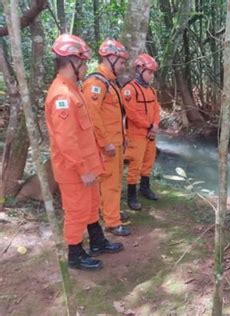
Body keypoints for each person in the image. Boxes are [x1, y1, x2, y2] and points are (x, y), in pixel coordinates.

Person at [45, 34, 123, 271]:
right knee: (77, 212)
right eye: (84, 61)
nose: (86, 66)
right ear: (71, 61)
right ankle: (75, 255)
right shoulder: (62, 96)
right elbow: (66, 140)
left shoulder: (73, 89)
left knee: (91, 206)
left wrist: (91, 165)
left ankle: (97, 242)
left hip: (88, 167)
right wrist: (82, 168)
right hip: (75, 170)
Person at [82, 39, 131, 236]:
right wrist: (105, 142)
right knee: (110, 182)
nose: (122, 66)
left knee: (114, 180)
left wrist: (124, 136)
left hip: (116, 141)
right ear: (110, 58)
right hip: (107, 144)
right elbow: (92, 116)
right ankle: (112, 222)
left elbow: (116, 114)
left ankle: (110, 212)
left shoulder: (110, 83)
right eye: (120, 62)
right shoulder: (96, 83)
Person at [122, 54, 161, 210]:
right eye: (149, 72)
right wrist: (149, 125)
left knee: (148, 161)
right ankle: (131, 196)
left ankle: (145, 188)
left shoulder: (151, 90)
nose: (151, 76)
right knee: (135, 165)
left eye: (153, 73)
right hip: (136, 134)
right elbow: (131, 114)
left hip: (150, 133)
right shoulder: (129, 89)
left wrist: (155, 125)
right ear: (139, 70)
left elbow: (156, 109)